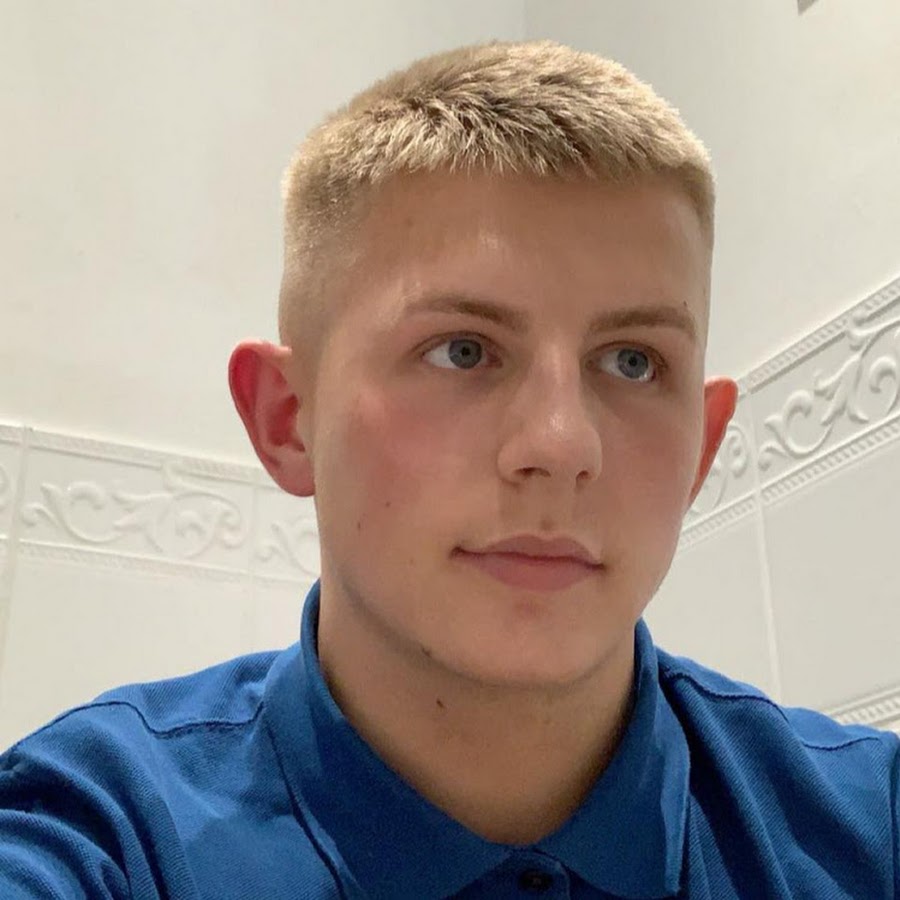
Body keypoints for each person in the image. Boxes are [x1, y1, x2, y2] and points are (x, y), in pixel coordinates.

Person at [1, 38, 897, 900]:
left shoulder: (872, 827)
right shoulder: (98, 832)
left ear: (702, 447)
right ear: (287, 419)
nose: (560, 445)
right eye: (462, 350)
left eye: (633, 362)